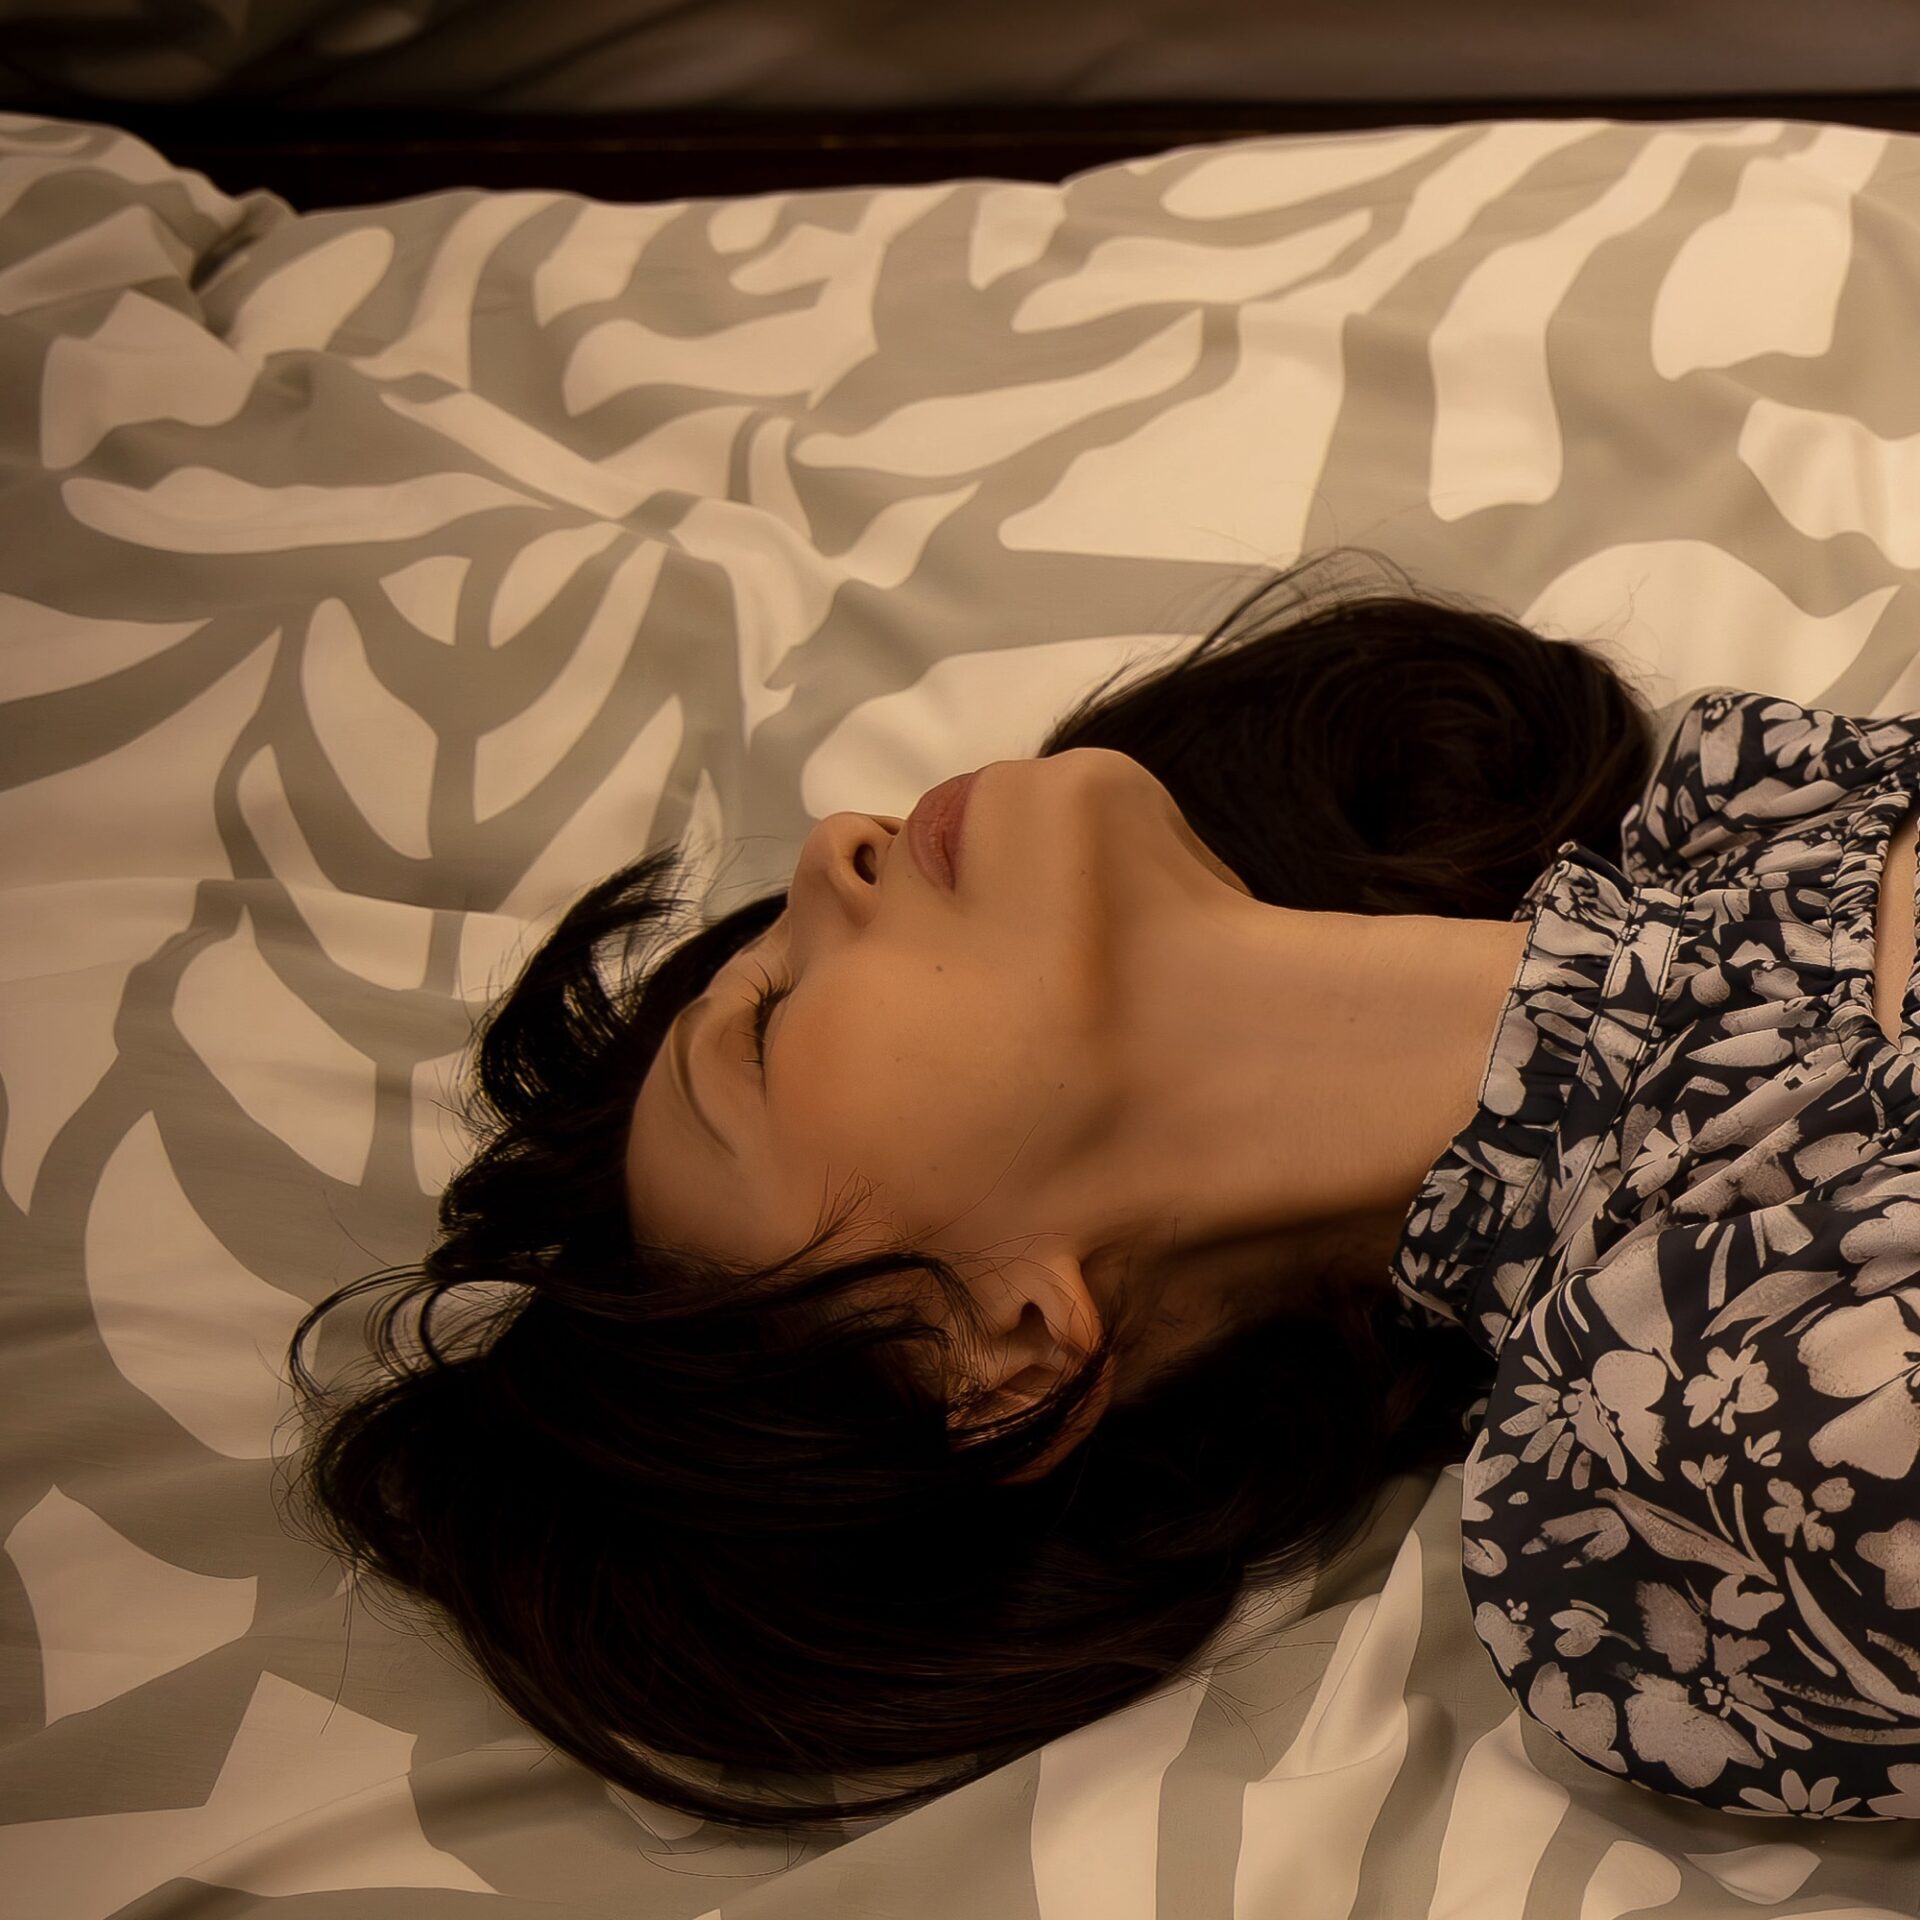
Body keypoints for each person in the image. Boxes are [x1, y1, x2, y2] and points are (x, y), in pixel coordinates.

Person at [282, 544, 1840, 1835]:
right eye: (762, 1027)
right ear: (1010, 1355)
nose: (833, 849)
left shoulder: (1755, 806)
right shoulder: (1691, 1467)